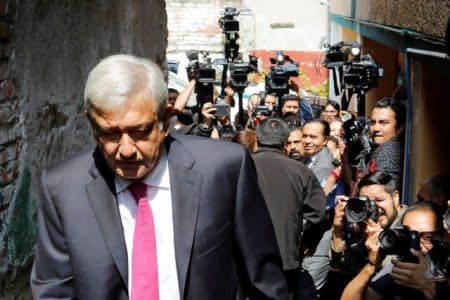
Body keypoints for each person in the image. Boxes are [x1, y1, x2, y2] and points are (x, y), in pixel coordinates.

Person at [30, 54, 289, 300]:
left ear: (165, 119)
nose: (127, 150)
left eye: (140, 132)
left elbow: (264, 281)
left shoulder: (223, 170)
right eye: (110, 134)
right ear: (92, 125)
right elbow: (54, 290)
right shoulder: (63, 189)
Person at [252, 118, 326, 299]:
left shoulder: (242, 165)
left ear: (257, 140)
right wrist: (307, 242)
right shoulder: (301, 171)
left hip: (247, 259)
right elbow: (318, 213)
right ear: (285, 142)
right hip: (285, 259)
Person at [321, 171, 407, 299]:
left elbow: (393, 272)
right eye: (366, 202)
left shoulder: (410, 223)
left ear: (395, 197)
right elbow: (341, 269)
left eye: (379, 200)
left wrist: (381, 241)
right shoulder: (364, 223)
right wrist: (338, 231)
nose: (373, 208)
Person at [341, 201, 449, 300]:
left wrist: (429, 287)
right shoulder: (402, 267)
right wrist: (371, 266)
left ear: (444, 236)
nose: (418, 245)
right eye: (409, 235)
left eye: (427, 236)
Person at [368, 97, 406, 190]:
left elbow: (380, 192)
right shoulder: (381, 147)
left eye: (383, 123)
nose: (376, 128)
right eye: (373, 122)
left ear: (399, 127)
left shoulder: (391, 149)